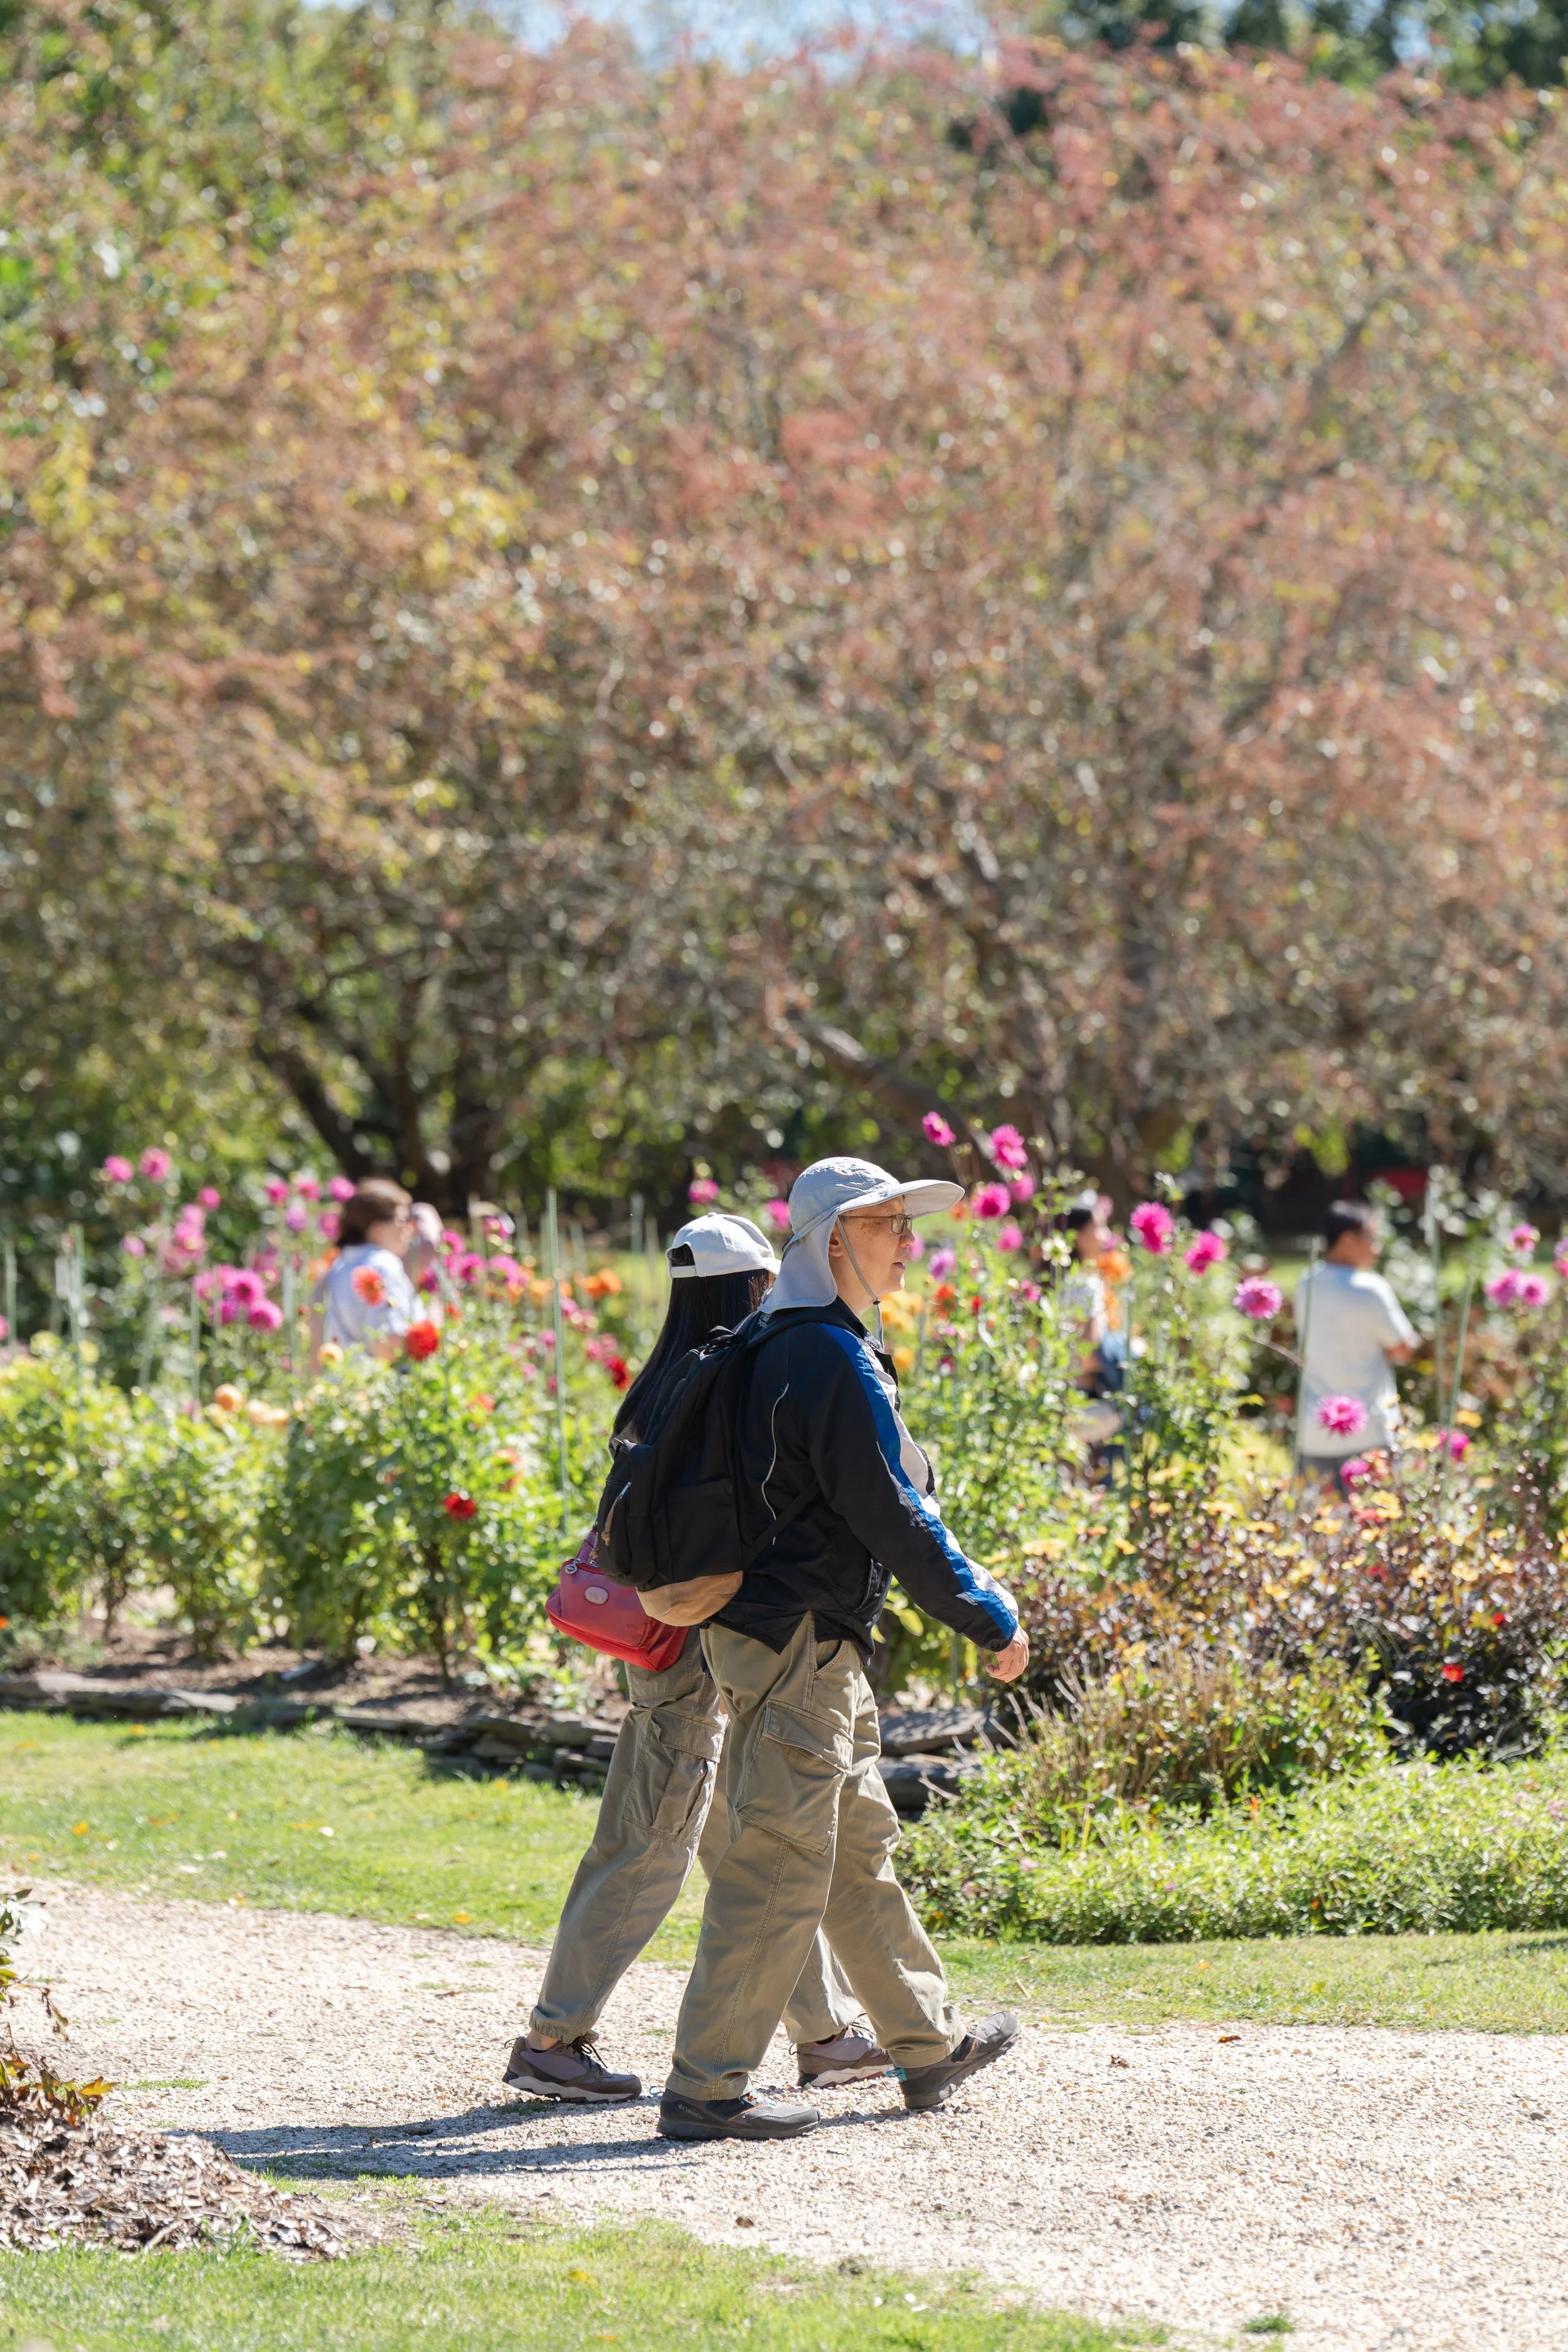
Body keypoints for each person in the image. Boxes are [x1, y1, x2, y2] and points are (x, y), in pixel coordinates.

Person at [655, 1156, 1030, 2146]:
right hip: (798, 1645)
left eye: (910, 1225)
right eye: (888, 1226)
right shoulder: (825, 1355)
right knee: (778, 1860)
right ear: (832, 1241)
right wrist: (986, 1612)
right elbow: (892, 1510)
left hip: (802, 1643)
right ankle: (706, 2086)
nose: (910, 1243)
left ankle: (924, 2041)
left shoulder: (784, 1340)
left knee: (858, 1847)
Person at [502, 1213, 884, 2107]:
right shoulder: (723, 1379)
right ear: (751, 1283)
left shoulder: (657, 1384)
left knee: (745, 1843)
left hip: (671, 1651)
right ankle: (552, 2037)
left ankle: (823, 2033)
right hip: (697, 1659)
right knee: (649, 1842)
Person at [1295, 1200, 1416, 1488]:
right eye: (1371, 1238)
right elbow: (1404, 1349)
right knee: (1375, 1522)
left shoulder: (1305, 1283)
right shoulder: (1370, 1289)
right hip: (1370, 1432)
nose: (1377, 1248)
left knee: (1320, 1528)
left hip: (1315, 1431)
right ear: (1348, 1239)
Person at [311, 1178, 418, 1362]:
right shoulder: (383, 1264)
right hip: (386, 1384)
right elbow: (389, 1345)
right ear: (376, 1228)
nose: (409, 1229)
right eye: (401, 1220)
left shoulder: (336, 1267)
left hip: (345, 1383)